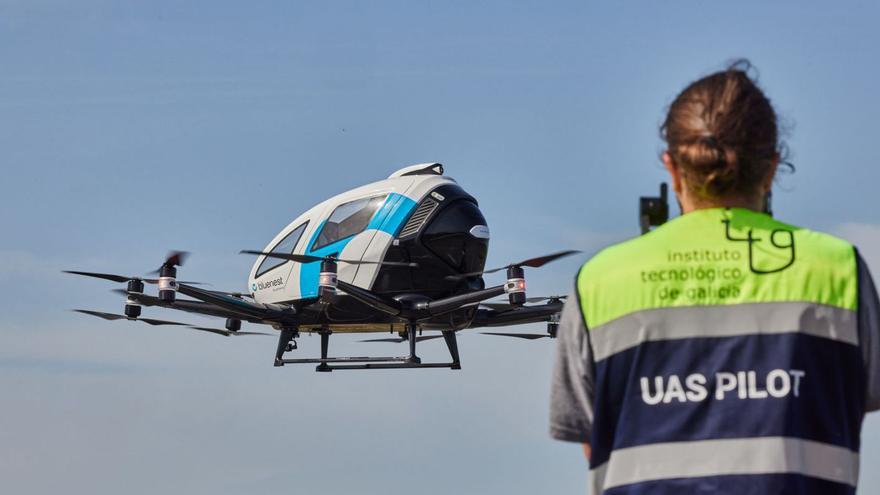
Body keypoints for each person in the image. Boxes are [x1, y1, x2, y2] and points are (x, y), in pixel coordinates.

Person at [549, 60, 880, 495]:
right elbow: (850, 405)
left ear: (671, 166)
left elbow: (595, 441)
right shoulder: (839, 269)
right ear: (772, 167)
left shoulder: (601, 280)